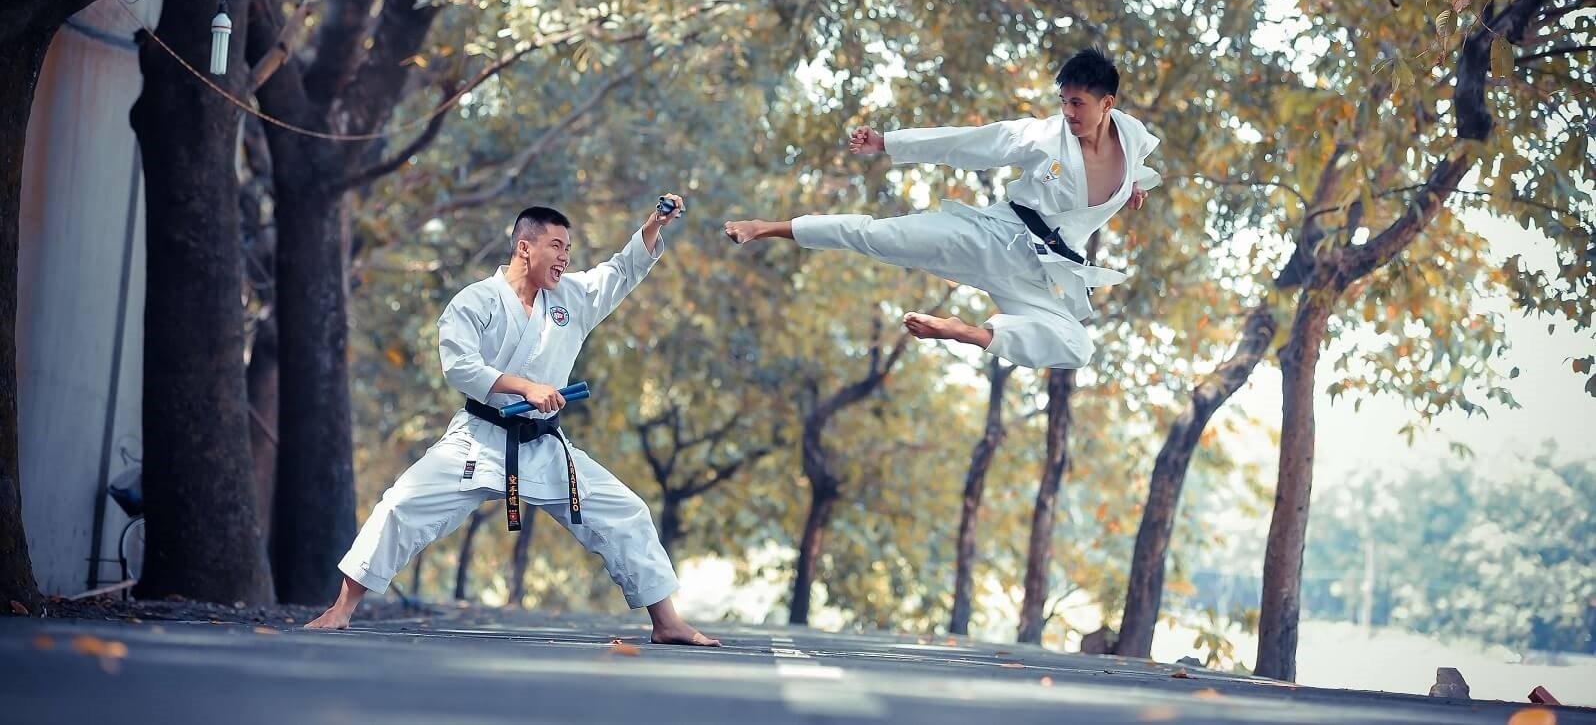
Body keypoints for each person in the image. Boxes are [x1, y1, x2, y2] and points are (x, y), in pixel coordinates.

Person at [305, 195, 719, 647]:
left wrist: (655, 223)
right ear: (525, 247)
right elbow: (459, 366)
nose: (565, 258)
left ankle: (666, 622)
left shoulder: (571, 299)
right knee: (401, 506)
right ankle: (341, 609)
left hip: (544, 446)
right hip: (478, 441)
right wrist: (525, 387)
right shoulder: (475, 301)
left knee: (626, 512)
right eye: (557, 246)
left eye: (568, 250)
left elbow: (621, 270)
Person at [723, 48, 1161, 369]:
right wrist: (887, 143)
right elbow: (965, 142)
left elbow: (1130, 169)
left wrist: (1133, 186)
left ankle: (967, 333)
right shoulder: (1041, 138)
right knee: (875, 235)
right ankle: (767, 227)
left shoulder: (1131, 136)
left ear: (1108, 104)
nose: (1067, 112)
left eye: (1077, 103)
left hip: (1041, 278)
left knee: (1077, 349)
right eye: (1063, 101)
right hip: (990, 238)